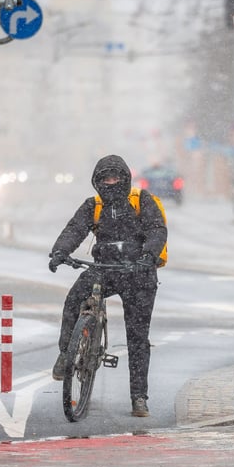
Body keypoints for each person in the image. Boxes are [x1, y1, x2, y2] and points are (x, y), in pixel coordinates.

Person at [48, 155, 167, 417]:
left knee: (137, 337)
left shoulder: (141, 201)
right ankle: (66, 353)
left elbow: (157, 229)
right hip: (104, 270)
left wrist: (148, 256)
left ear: (124, 178)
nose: (110, 182)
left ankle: (138, 397)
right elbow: (75, 230)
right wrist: (60, 251)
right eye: (105, 178)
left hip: (137, 273)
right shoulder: (94, 205)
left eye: (114, 177)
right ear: (97, 182)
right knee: (73, 299)